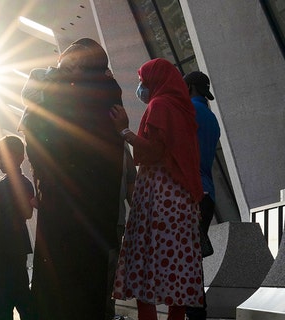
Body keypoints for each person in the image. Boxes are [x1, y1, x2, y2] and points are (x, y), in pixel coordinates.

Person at [19, 37, 125, 319]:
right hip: (82, 207)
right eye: (62, 65)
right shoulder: (101, 93)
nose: (61, 70)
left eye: (70, 66)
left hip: (72, 205)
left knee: (67, 281)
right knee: (79, 282)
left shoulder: (75, 95)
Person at [110, 58, 204, 320]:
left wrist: (124, 131)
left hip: (159, 195)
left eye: (143, 81)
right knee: (178, 267)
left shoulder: (159, 106)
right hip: (181, 197)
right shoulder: (182, 109)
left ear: (156, 81)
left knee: (146, 264)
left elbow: (153, 151)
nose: (141, 87)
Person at [183, 71, 221, 320]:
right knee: (192, 259)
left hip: (191, 193)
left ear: (188, 88)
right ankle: (196, 313)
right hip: (208, 193)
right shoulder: (211, 117)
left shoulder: (187, 113)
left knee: (185, 260)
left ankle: (195, 314)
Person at [0, 135, 35, 320]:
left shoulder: (2, 187)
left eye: (3, 155)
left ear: (19, 158)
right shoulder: (25, 184)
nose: (0, 160)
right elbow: (28, 213)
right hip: (17, 246)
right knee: (20, 292)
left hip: (4, 247)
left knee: (4, 298)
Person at [106, 146, 136, 320]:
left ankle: (107, 314)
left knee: (110, 276)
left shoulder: (123, 146)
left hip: (115, 221)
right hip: (91, 223)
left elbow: (131, 183)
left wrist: (138, 213)